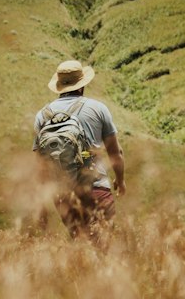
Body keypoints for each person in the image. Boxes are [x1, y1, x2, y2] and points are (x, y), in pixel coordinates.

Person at [33, 60, 126, 240]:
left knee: (80, 249)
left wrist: (42, 204)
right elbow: (116, 153)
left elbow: (41, 166)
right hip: (96, 188)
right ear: (82, 85)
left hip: (63, 195)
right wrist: (120, 181)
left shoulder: (42, 116)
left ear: (59, 86)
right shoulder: (98, 109)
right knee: (105, 249)